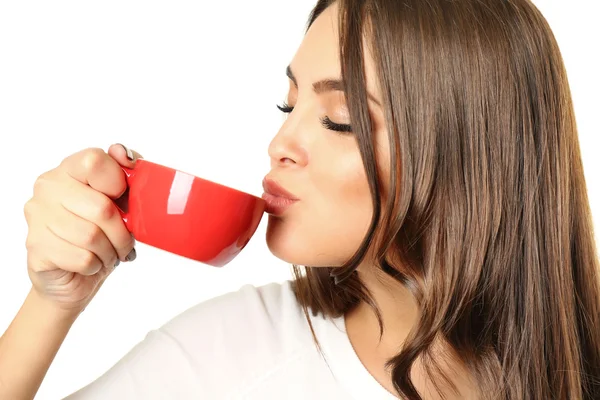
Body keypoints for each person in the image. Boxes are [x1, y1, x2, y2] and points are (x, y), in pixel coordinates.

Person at [1, 0, 599, 399]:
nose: (279, 142)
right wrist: (53, 302)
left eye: (340, 120)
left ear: (474, 156)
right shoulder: (229, 354)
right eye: (289, 106)